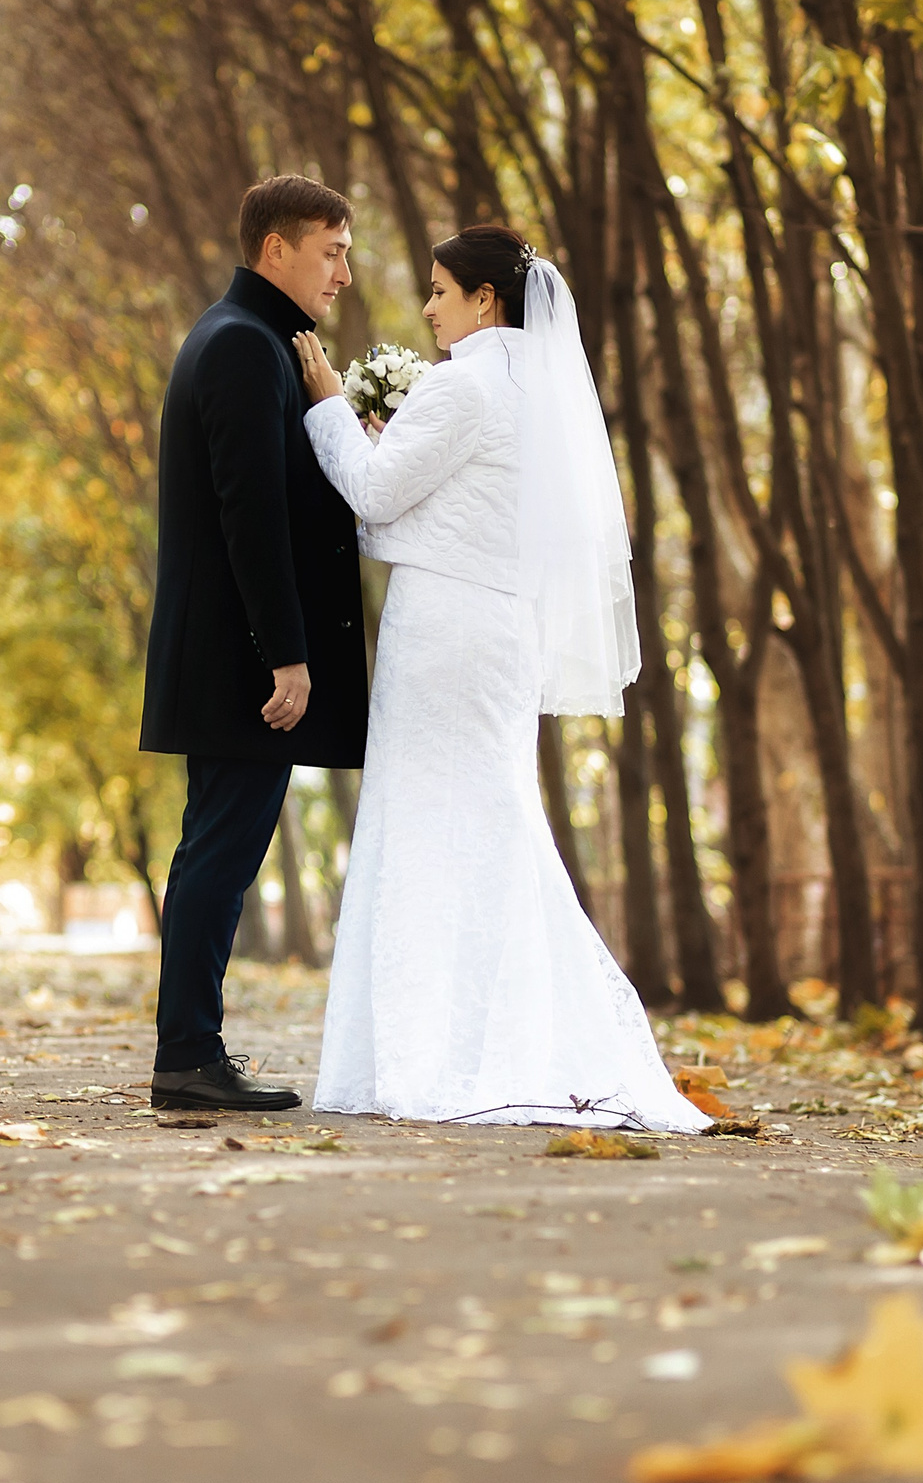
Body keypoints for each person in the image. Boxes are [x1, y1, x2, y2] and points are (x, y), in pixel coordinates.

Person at [289, 226, 709, 1132]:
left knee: (429, 821)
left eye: (440, 290)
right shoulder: (533, 392)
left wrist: (328, 403)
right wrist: (385, 442)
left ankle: (435, 1051)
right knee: (487, 814)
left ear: (486, 300)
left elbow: (369, 497)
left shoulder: (464, 384)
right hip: (500, 635)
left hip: (443, 633)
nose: (429, 306)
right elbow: (449, 500)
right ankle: (498, 1035)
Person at [137, 176, 369, 1111]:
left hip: (231, 651)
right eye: (331, 250)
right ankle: (188, 1058)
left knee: (217, 851)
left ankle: (190, 1052)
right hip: (239, 657)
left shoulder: (258, 341)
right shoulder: (240, 346)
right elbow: (250, 514)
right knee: (221, 854)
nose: (344, 272)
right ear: (275, 249)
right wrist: (287, 651)